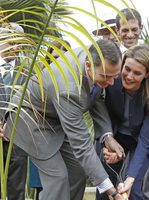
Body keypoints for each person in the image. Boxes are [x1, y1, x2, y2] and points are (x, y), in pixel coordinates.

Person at [2, 39, 127, 200]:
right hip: (30, 119)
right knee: (57, 177)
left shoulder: (96, 51)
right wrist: (113, 192)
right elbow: (81, 144)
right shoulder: (68, 89)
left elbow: (97, 97)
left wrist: (107, 136)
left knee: (78, 170)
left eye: (114, 76)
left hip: (56, 118)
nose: (110, 82)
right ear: (88, 65)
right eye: (105, 76)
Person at [96, 44, 149, 200]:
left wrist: (130, 179)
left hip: (142, 137)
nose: (129, 76)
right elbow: (100, 115)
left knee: (133, 188)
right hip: (116, 133)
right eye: (127, 69)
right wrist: (107, 143)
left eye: (137, 73)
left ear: (147, 74)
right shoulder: (111, 82)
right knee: (105, 186)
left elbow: (144, 140)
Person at [28, 39, 71, 200]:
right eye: (54, 56)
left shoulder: (74, 82)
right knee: (44, 188)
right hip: (42, 141)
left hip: (66, 142)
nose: (58, 60)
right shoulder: (36, 80)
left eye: (63, 56)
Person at [0, 22, 28, 200]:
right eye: (9, 41)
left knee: (16, 192)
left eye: (18, 42)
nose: (14, 46)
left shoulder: (30, 71)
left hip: (18, 141)